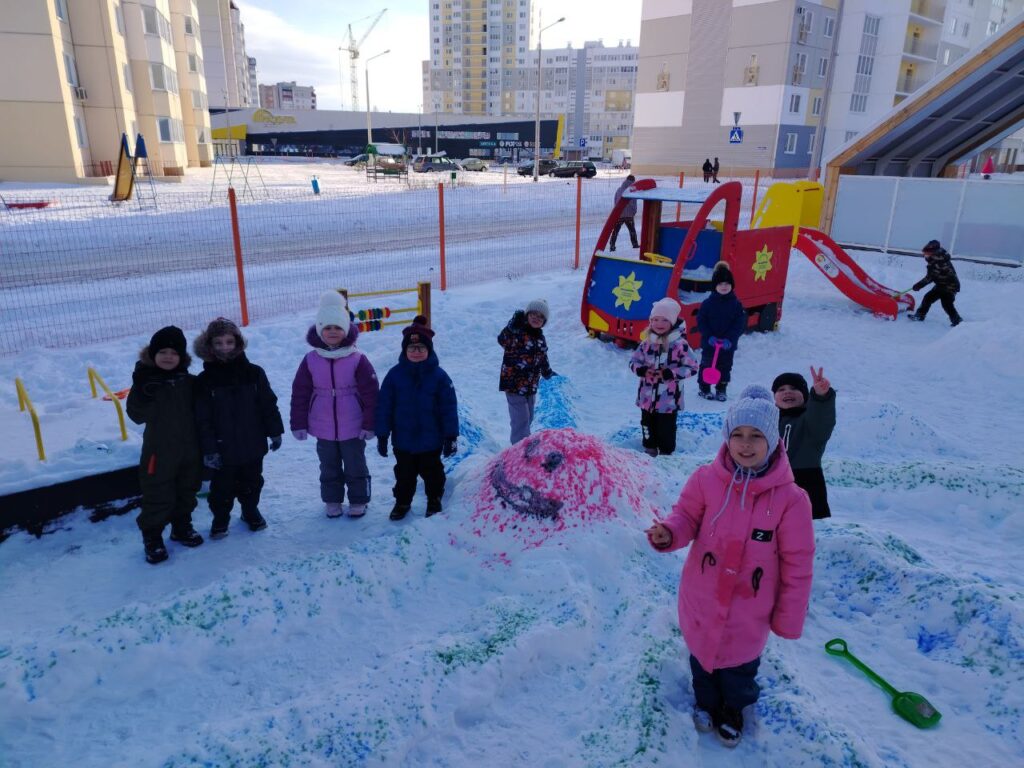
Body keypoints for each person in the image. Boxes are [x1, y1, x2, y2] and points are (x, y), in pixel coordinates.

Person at [645, 385, 814, 748]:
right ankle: (706, 702)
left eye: (756, 436)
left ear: (772, 440)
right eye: (738, 434)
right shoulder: (706, 480)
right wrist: (669, 533)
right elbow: (685, 517)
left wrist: (787, 618)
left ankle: (733, 709)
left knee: (739, 668)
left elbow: (798, 564)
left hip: (749, 608)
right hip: (703, 597)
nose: (745, 444)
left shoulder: (791, 500)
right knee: (702, 661)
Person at [290, 291, 379, 518]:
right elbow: (300, 393)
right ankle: (332, 500)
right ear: (320, 330)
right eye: (327, 327)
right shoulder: (311, 359)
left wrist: (370, 424)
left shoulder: (357, 359)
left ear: (346, 330)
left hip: (353, 425)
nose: (332, 332)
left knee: (355, 465)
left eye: (338, 327)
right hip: (323, 425)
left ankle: (359, 500)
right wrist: (298, 423)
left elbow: (371, 394)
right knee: (328, 466)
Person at [193, 317, 284, 538]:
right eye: (218, 343)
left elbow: (268, 403)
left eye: (229, 342)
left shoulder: (254, 373)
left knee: (252, 481)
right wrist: (209, 449)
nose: (224, 347)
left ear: (238, 343)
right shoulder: (204, 380)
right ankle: (221, 518)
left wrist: (275, 431)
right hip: (222, 447)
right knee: (221, 488)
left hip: (253, 443)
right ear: (209, 345)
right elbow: (202, 419)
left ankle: (250, 511)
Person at [126, 326, 204, 564]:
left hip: (190, 451)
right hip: (158, 453)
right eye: (162, 352)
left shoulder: (189, 382)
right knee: (158, 495)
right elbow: (136, 416)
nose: (168, 357)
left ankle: (181, 527)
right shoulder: (147, 382)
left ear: (182, 357)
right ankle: (152, 537)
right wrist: (143, 391)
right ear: (153, 354)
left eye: (174, 352)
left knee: (187, 490)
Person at [376, 315, 460, 521]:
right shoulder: (394, 376)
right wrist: (382, 434)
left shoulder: (440, 377)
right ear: (404, 350)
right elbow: (384, 406)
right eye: (412, 348)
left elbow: (449, 408)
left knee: (433, 473)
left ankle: (434, 499)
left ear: (429, 350)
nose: (416, 351)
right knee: (404, 475)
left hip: (431, 440)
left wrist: (450, 436)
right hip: (403, 441)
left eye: (421, 348)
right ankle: (402, 501)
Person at [629, 297, 698, 456]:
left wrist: (670, 373)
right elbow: (633, 361)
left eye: (664, 320)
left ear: (672, 322)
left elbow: (693, 367)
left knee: (666, 428)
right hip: (647, 397)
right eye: (655, 319)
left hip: (669, 400)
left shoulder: (680, 345)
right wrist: (642, 370)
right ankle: (650, 447)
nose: (659, 323)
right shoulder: (646, 343)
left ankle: (666, 453)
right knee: (647, 424)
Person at [772, 368, 836, 520]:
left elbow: (821, 418)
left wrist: (821, 397)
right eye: (781, 389)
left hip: (806, 483)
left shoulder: (810, 422)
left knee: (805, 529)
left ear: (805, 395)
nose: (787, 392)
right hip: (773, 482)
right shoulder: (769, 421)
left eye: (794, 388)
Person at [498, 299, 555, 444]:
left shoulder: (540, 338)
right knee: (521, 419)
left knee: (529, 416)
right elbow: (502, 340)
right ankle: (520, 448)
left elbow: (543, 358)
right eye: (533, 314)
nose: (536, 318)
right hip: (513, 384)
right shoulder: (518, 332)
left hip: (531, 385)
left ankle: (523, 442)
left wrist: (547, 372)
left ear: (544, 322)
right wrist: (511, 327)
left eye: (541, 317)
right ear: (527, 315)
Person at [697, 261, 747, 401]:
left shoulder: (736, 305)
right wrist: (708, 336)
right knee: (707, 364)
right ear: (715, 286)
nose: (724, 287)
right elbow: (701, 321)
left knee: (725, 366)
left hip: (727, 345)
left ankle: (721, 388)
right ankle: (704, 388)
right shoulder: (707, 304)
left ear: (732, 285)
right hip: (710, 343)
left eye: (727, 284)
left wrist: (730, 339)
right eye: (720, 284)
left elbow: (739, 324)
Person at [909, 240, 962, 326]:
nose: (924, 255)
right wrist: (919, 285)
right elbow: (932, 276)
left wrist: (919, 285)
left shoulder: (938, 262)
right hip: (942, 284)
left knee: (946, 304)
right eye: (924, 253)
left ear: (932, 253)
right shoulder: (936, 259)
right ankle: (920, 315)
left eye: (926, 253)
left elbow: (930, 277)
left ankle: (958, 322)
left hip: (950, 286)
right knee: (928, 298)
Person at [609, 174, 639, 252]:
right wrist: (634, 212)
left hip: (620, 213)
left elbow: (615, 200)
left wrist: (617, 210)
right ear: (633, 181)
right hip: (629, 215)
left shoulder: (619, 189)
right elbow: (633, 203)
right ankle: (635, 244)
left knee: (616, 230)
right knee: (632, 230)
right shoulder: (632, 190)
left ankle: (612, 245)